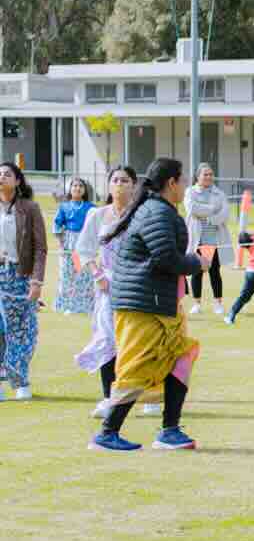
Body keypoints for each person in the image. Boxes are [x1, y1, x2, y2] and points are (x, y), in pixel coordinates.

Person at [90, 157, 204, 451]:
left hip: (159, 303)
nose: (186, 186)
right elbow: (166, 258)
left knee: (182, 356)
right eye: (184, 179)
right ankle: (106, 434)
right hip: (144, 305)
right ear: (172, 183)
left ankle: (170, 430)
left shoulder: (159, 210)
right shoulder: (157, 212)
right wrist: (196, 263)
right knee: (136, 368)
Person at [74, 165, 136, 401]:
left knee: (134, 339)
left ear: (134, 186)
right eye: (116, 180)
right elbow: (84, 248)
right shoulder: (97, 215)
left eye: (125, 180)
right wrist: (98, 275)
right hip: (106, 285)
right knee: (107, 338)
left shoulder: (139, 214)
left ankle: (138, 393)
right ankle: (108, 397)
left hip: (134, 283)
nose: (120, 184)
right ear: (109, 185)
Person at [0, 163, 47, 400]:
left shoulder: (29, 208)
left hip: (19, 276)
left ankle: (19, 379)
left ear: (18, 181)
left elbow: (40, 249)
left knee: (22, 331)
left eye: (7, 174)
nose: (1, 177)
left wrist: (37, 281)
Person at [183, 163, 233, 318]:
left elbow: (224, 213)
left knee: (214, 272)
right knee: (196, 272)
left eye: (211, 174)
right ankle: (197, 304)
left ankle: (218, 303)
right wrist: (212, 208)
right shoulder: (190, 192)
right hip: (197, 239)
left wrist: (210, 217)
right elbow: (192, 209)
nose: (209, 177)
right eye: (205, 174)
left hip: (215, 240)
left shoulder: (219, 193)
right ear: (198, 176)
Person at [52, 177, 96, 315]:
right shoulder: (64, 206)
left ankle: (84, 306)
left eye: (80, 186)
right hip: (68, 244)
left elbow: (97, 225)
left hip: (83, 244)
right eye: (74, 185)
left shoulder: (91, 207)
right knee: (67, 274)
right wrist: (61, 241)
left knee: (83, 274)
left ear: (84, 189)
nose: (77, 188)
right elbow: (57, 224)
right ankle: (66, 305)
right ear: (70, 189)